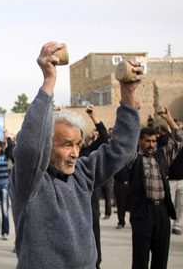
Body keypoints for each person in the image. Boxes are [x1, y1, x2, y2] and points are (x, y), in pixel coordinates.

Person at [9, 41, 142, 268]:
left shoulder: (82, 173)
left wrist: (127, 93)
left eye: (78, 144)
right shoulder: (30, 183)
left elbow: (122, 149)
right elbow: (29, 148)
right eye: (67, 144)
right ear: (47, 146)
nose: (74, 153)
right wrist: (49, 81)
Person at [127, 108, 182, 269]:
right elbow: (126, 141)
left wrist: (169, 118)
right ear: (139, 141)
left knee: (161, 256)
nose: (151, 145)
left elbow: (179, 141)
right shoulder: (134, 159)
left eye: (153, 141)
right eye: (147, 141)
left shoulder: (162, 155)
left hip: (162, 211)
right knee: (141, 257)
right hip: (143, 212)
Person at [78, 104, 110, 269]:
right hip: (71, 206)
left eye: (77, 142)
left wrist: (94, 117)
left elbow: (105, 138)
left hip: (91, 204)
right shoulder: (60, 158)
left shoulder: (87, 152)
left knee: (94, 237)